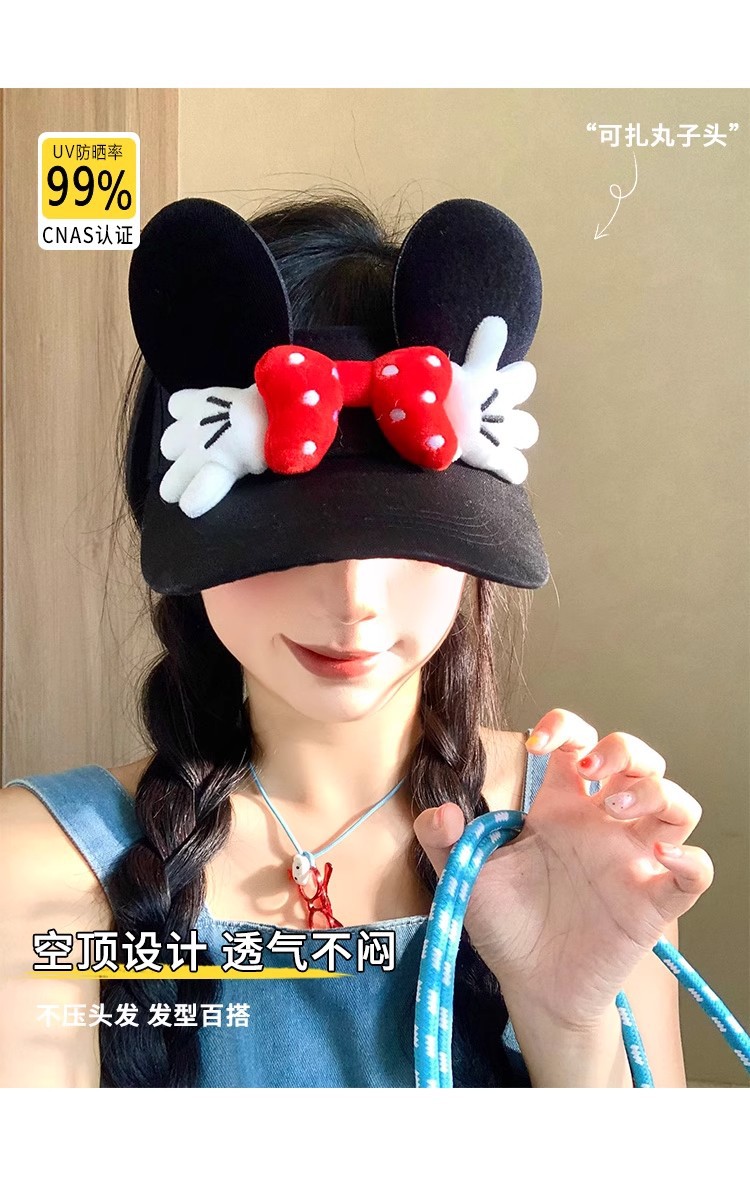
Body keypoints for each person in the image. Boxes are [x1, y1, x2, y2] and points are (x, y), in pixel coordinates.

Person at [0, 189, 712, 1089]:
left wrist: (568, 1026)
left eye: (407, 534)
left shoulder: (586, 843)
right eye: (287, 535)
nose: (354, 599)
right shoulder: (42, 865)